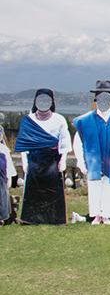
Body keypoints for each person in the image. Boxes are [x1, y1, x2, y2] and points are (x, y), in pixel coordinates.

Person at [73, 80, 110, 225]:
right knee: (94, 187)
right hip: (93, 161)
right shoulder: (85, 120)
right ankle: (95, 214)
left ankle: (108, 214)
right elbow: (77, 142)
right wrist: (80, 161)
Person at [14, 89, 72, 225]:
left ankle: (54, 219)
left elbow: (64, 141)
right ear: (35, 102)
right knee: (34, 191)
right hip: (34, 160)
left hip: (52, 160)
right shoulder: (28, 120)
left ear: (52, 102)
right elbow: (24, 144)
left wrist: (63, 160)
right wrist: (24, 162)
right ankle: (32, 219)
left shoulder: (59, 119)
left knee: (52, 191)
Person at [0, 139, 17, 225]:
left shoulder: (3, 149)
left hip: (2, 179)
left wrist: (9, 177)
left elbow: (8, 165)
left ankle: (2, 218)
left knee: (2, 197)